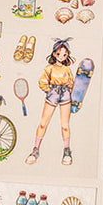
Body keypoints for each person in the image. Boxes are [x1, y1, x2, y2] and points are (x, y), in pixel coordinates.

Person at [25, 38, 75, 166]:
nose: (61, 56)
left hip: (65, 94)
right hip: (53, 94)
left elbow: (71, 83)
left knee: (65, 125)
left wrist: (70, 93)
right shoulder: (49, 68)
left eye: (64, 54)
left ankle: (67, 150)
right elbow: (42, 82)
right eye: (58, 54)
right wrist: (49, 90)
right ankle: (35, 150)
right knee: (43, 123)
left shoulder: (67, 70)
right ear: (54, 53)